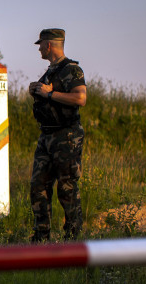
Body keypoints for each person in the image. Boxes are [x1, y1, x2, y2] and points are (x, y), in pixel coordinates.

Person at [27, 28, 87, 242]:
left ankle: (73, 236)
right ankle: (41, 236)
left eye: (41, 44)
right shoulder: (50, 71)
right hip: (47, 136)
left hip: (66, 136)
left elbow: (80, 98)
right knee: (38, 185)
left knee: (67, 186)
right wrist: (37, 90)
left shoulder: (72, 69)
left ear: (49, 45)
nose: (39, 49)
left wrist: (50, 93)